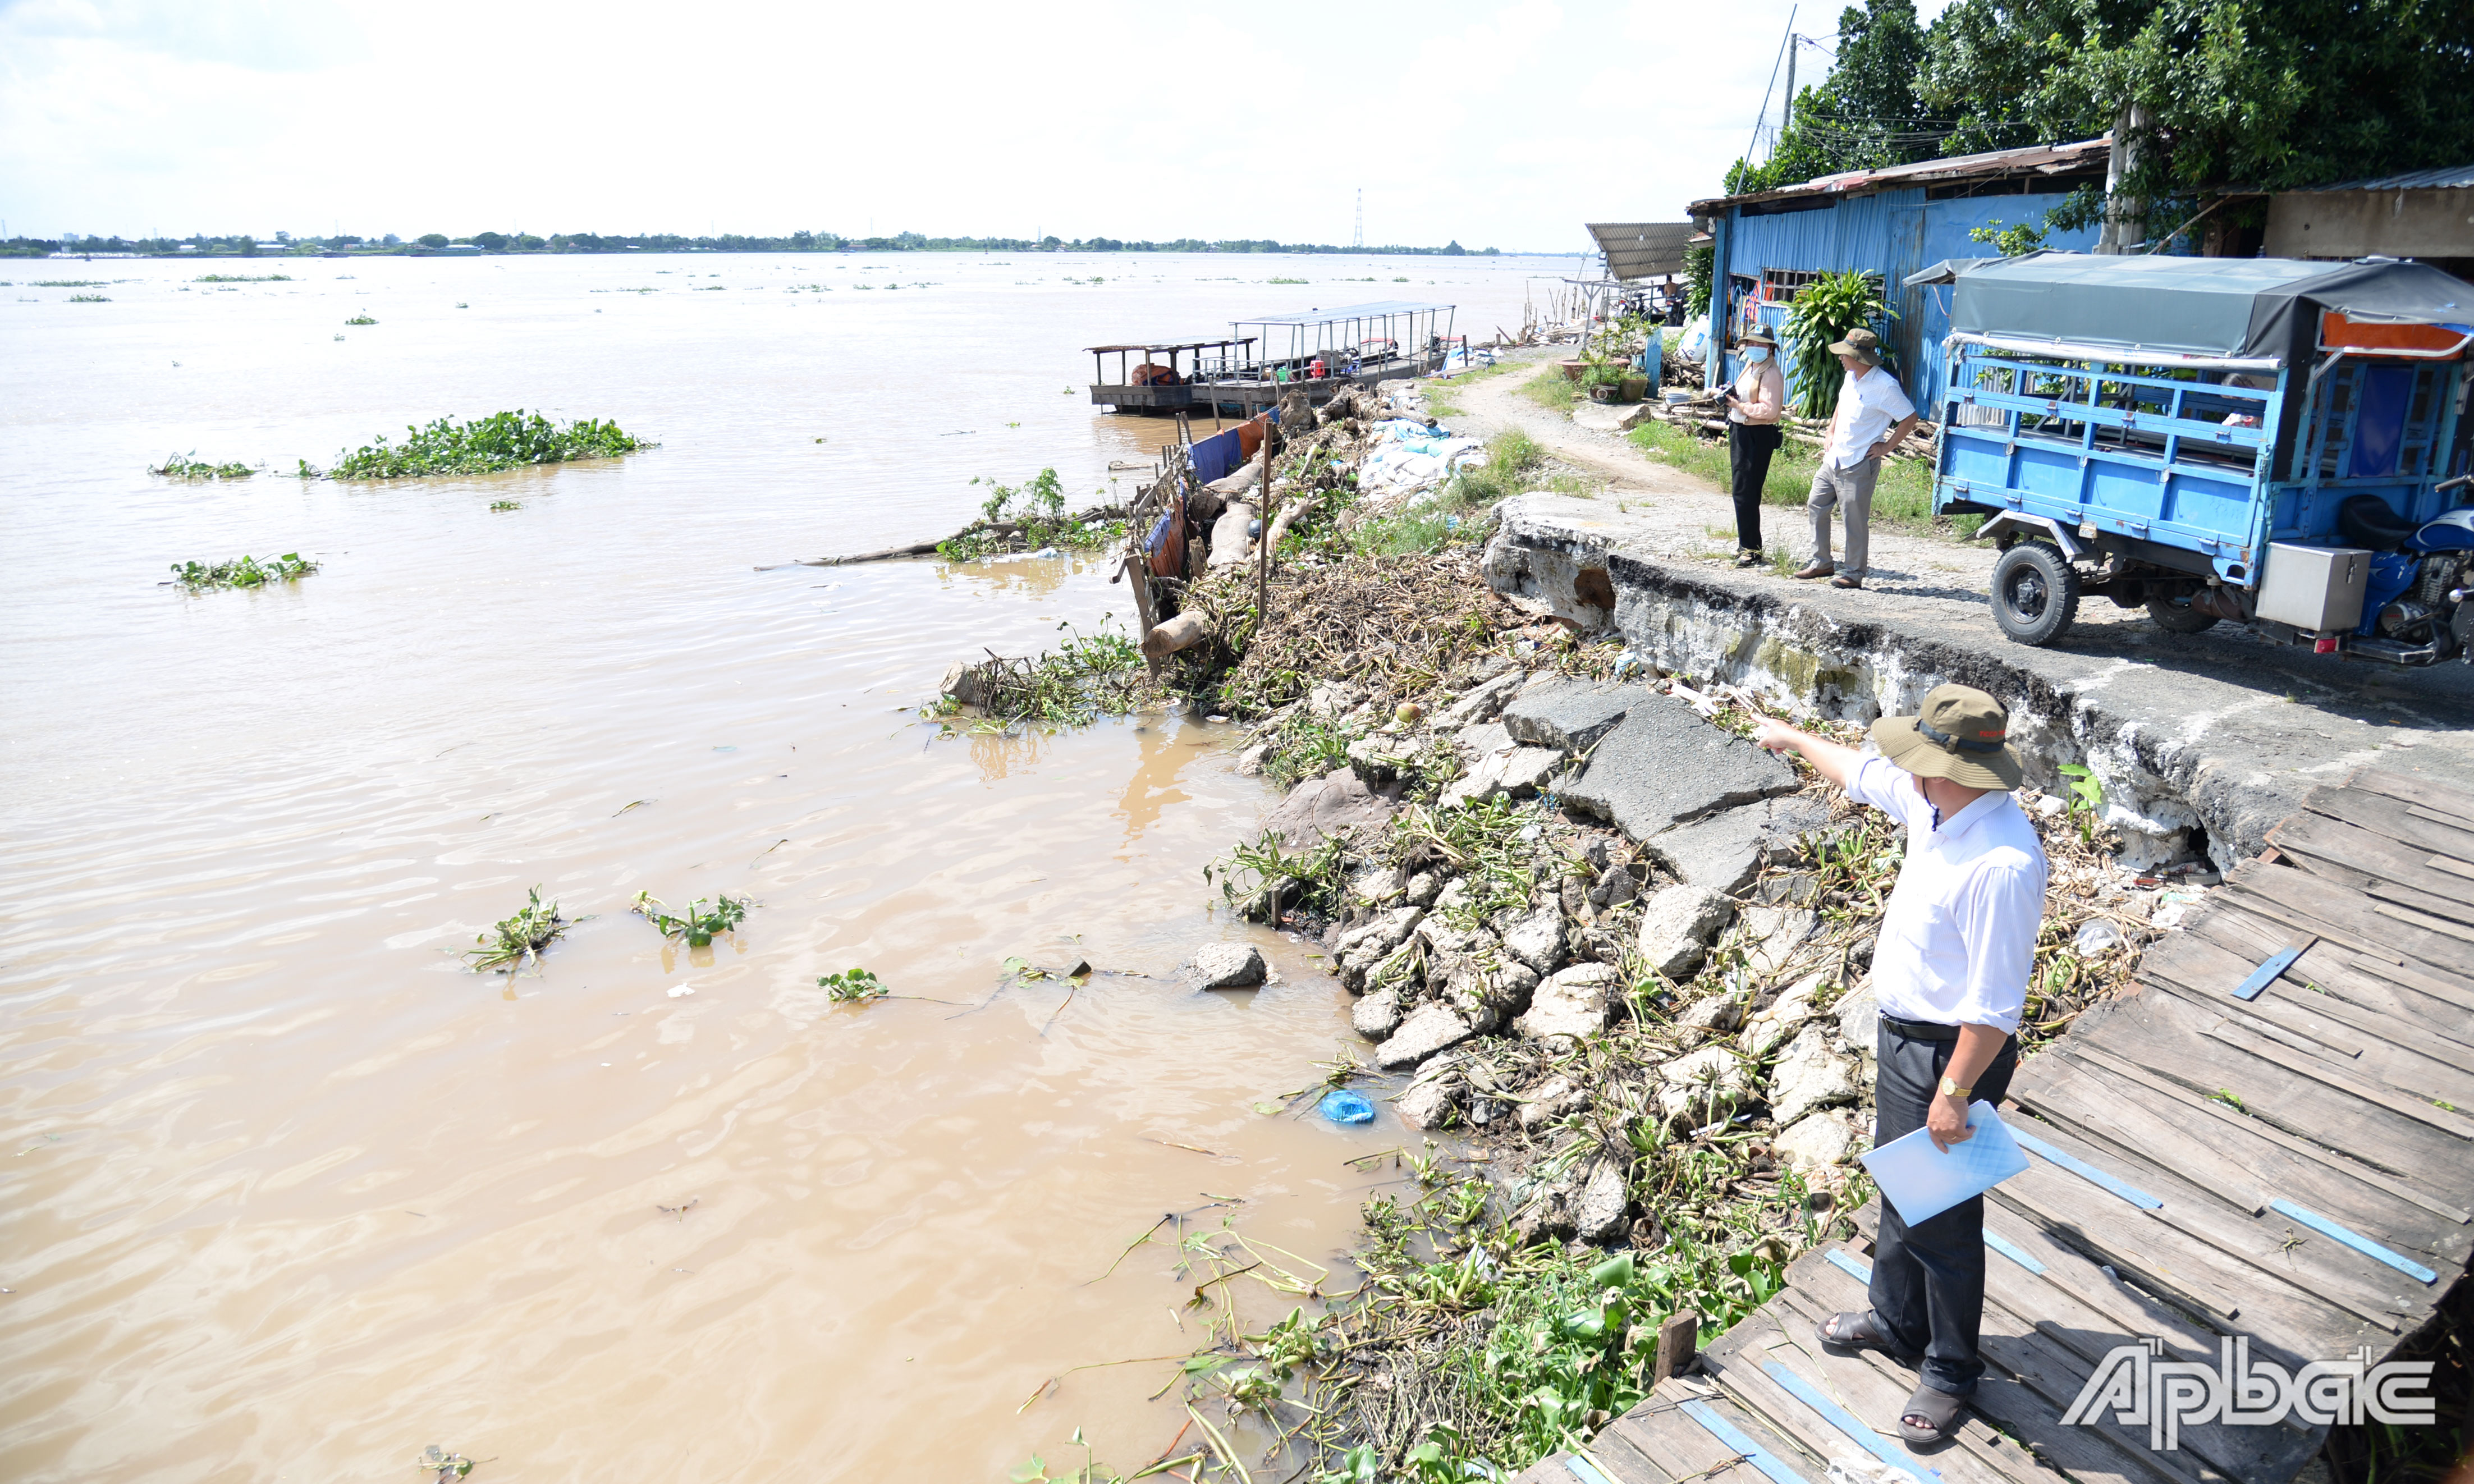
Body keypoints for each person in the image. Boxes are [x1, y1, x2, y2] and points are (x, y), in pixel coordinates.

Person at [1746, 684, 2047, 1447]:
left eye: (1916, 758)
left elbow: (1993, 1007)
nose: (1903, 769)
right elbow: (1858, 772)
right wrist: (1791, 737)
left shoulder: (2003, 863)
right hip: (1905, 1035)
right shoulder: (1934, 806)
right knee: (1898, 1181)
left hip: (1957, 1053)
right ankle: (1895, 1316)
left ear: (1952, 768)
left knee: (1943, 1214)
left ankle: (1950, 1370)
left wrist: (1955, 1093)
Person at [1797, 327, 1918, 590]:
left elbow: (1909, 417)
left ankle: (1854, 574)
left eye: (1845, 354)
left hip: (1859, 462)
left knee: (1854, 519)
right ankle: (1822, 562)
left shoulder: (1885, 386)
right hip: (1835, 457)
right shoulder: (1850, 377)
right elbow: (1841, 404)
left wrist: (1887, 446)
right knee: (1816, 504)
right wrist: (1830, 431)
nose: (1841, 358)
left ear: (1859, 357)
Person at [1724, 328, 1787, 567]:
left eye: (1760, 344)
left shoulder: (1770, 373)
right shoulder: (1751, 366)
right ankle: (1747, 545)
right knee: (1741, 491)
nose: (1754, 348)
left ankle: (1751, 549)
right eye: (1750, 343)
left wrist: (1739, 406)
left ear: (1770, 348)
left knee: (1747, 492)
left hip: (1757, 434)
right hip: (1741, 431)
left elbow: (1770, 411)